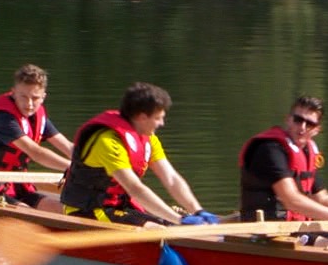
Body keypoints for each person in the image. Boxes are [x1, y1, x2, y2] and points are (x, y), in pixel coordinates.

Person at [58, 82, 217, 226]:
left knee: (168, 224)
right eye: (158, 118)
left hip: (120, 207)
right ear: (142, 117)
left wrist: (197, 210)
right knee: (162, 228)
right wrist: (179, 219)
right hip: (89, 210)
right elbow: (135, 188)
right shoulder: (108, 142)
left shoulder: (149, 138)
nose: (162, 123)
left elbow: (171, 178)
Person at [238, 96, 328, 251]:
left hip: (298, 226)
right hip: (270, 229)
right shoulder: (271, 149)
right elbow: (291, 200)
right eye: (298, 120)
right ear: (288, 119)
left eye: (309, 124)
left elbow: (322, 199)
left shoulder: (306, 152)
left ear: (317, 129)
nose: (302, 127)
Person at [0, 63, 76, 209]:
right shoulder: (3, 119)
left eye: (35, 98)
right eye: (23, 96)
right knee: (27, 212)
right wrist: (73, 167)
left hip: (17, 185)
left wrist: (97, 167)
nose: (29, 104)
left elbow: (68, 147)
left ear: (43, 97)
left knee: (63, 210)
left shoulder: (37, 118)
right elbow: (37, 153)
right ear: (14, 93)